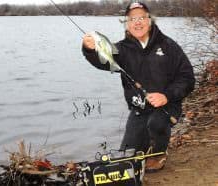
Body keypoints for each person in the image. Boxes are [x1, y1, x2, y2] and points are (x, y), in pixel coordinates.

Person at [82, 2, 195, 172]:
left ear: (150, 20)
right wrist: (89, 49)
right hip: (139, 109)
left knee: (156, 123)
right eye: (132, 19)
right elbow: (103, 62)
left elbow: (187, 78)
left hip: (168, 106)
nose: (137, 22)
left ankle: (158, 154)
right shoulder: (121, 49)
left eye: (142, 17)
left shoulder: (169, 46)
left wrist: (167, 96)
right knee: (126, 159)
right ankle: (143, 149)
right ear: (127, 24)